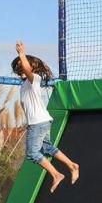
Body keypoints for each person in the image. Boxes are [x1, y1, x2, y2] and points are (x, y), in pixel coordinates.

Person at [13, 40, 79, 193]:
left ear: (31, 67)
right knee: (47, 148)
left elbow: (28, 70)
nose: (21, 68)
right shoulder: (24, 85)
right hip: (40, 122)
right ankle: (72, 165)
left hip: (38, 123)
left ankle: (56, 174)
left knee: (32, 153)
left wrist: (22, 54)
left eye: (23, 65)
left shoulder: (34, 79)